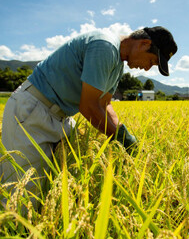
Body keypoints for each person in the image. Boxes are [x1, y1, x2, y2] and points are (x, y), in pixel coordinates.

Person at [0, 26, 178, 199]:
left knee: (54, 184)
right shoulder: (105, 46)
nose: (147, 69)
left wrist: (122, 132)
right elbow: (89, 107)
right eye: (152, 61)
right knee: (23, 195)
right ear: (144, 44)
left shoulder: (117, 64)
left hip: (60, 118)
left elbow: (105, 104)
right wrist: (119, 138)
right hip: (33, 112)